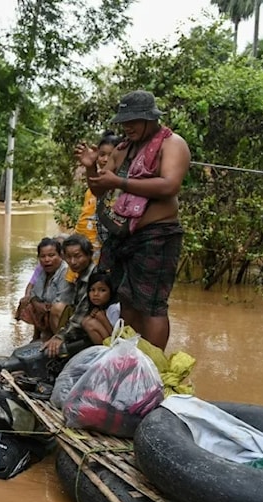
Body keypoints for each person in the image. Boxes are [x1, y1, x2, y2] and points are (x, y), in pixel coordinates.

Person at [75, 90, 190, 351]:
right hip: (124, 235)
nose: (127, 127)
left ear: (151, 118)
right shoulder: (123, 149)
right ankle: (131, 359)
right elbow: (99, 189)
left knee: (152, 305)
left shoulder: (172, 144)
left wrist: (119, 182)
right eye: (124, 121)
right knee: (127, 299)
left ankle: (154, 366)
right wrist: (91, 167)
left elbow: (169, 186)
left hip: (157, 235)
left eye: (134, 121)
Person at [44, 234, 96, 357]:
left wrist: (60, 336)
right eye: (68, 257)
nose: (73, 262)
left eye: (78, 256)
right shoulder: (81, 275)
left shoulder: (93, 278)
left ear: (89, 255)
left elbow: (81, 314)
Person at [74, 131, 122, 261]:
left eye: (111, 155)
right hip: (86, 249)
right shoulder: (93, 186)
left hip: (111, 251)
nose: (105, 159)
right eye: (102, 155)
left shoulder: (123, 185)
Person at [15, 237, 70, 341]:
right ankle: (38, 336)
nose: (47, 260)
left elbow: (61, 300)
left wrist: (42, 305)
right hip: (45, 306)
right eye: (43, 256)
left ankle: (58, 339)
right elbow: (33, 291)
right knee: (27, 303)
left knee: (55, 309)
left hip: (61, 312)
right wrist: (36, 303)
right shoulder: (42, 269)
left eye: (51, 255)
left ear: (60, 256)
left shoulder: (65, 271)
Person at [81, 271, 120, 345]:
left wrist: (102, 318)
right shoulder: (98, 308)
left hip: (117, 344)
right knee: (86, 320)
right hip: (110, 340)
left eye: (102, 290)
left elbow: (116, 335)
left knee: (90, 324)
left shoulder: (114, 308)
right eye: (92, 290)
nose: (95, 294)